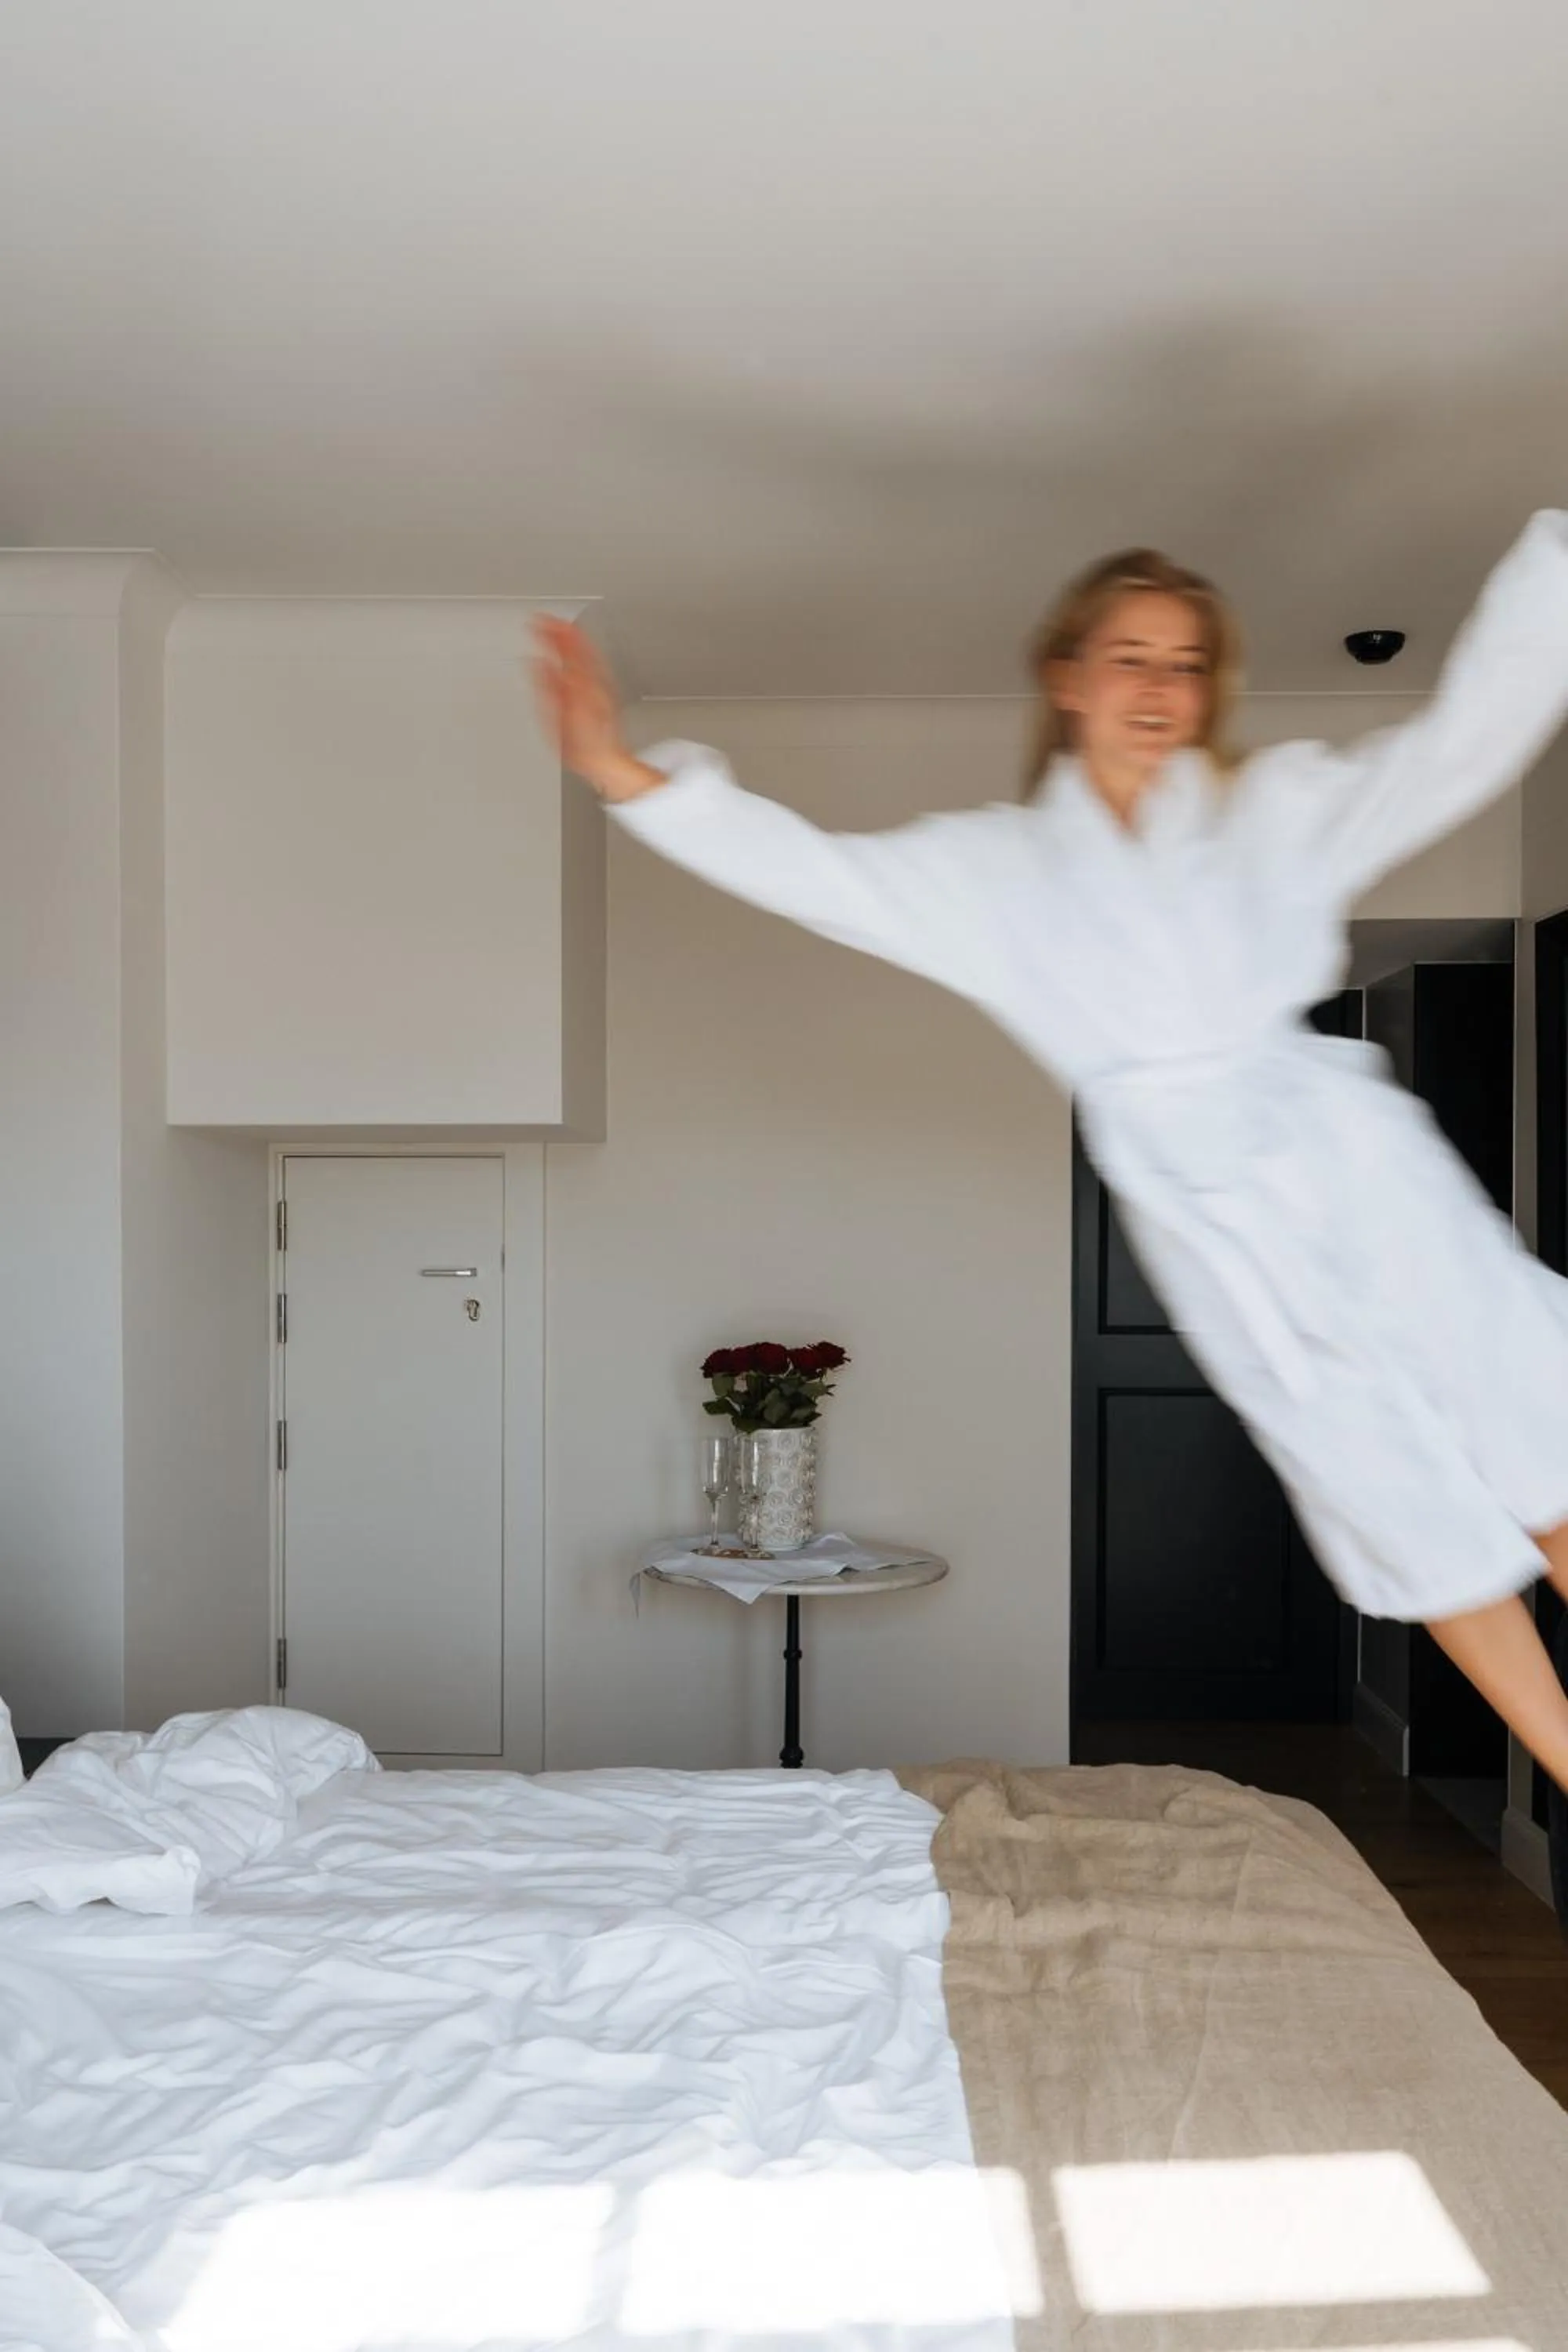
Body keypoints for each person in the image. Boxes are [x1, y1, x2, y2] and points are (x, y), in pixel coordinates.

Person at [532, 515, 1568, 1791]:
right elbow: (820, 875)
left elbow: (1454, 749)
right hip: (1214, 1232)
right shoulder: (1000, 876)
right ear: (1068, 676)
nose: (1159, 687)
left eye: (1186, 664)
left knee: (1540, 1430)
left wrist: (1557, 576)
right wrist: (623, 774)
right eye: (1131, 655)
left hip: (1352, 1164)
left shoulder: (1278, 810)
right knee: (1400, 1499)